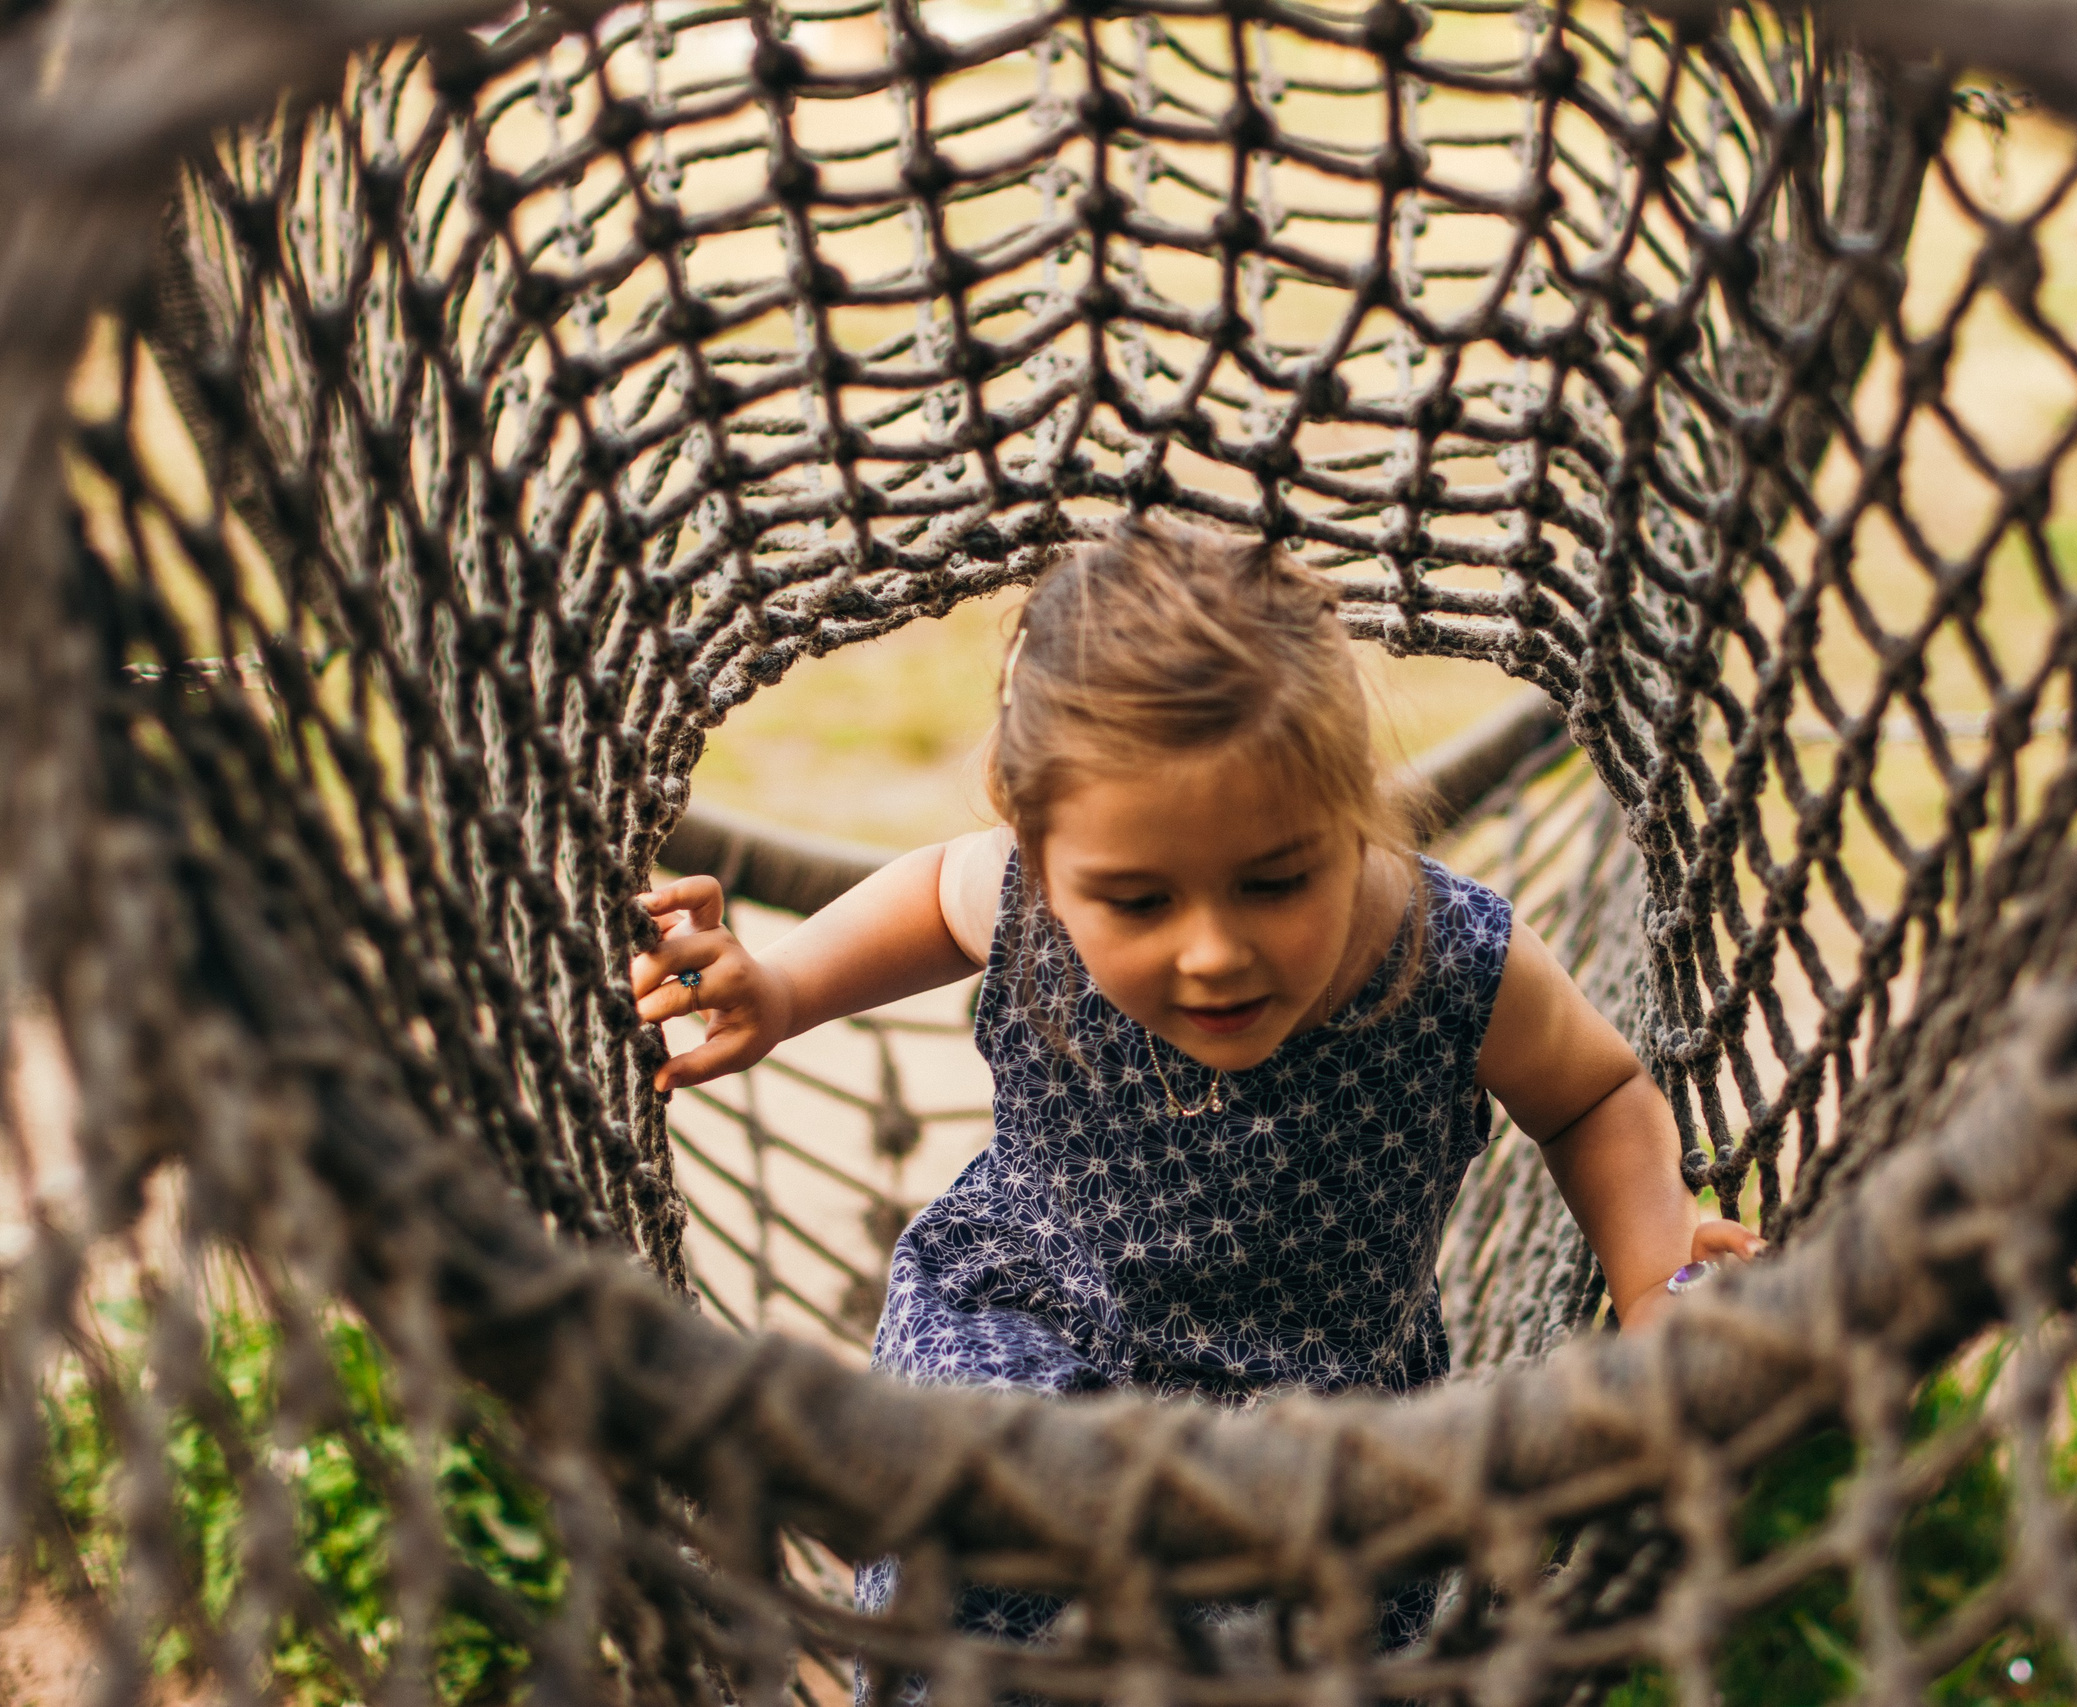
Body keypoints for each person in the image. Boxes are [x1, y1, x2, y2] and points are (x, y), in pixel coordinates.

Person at [627, 517, 1758, 1659]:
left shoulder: (1451, 955)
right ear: (1041, 852)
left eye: (1275, 881)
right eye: (1139, 903)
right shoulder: (1034, 900)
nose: (1212, 951)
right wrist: (779, 990)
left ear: (1352, 815)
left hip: (1316, 1412)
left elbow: (1597, 1099)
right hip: (1029, 1338)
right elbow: (931, 895)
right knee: (982, 1563)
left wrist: (1653, 1283)